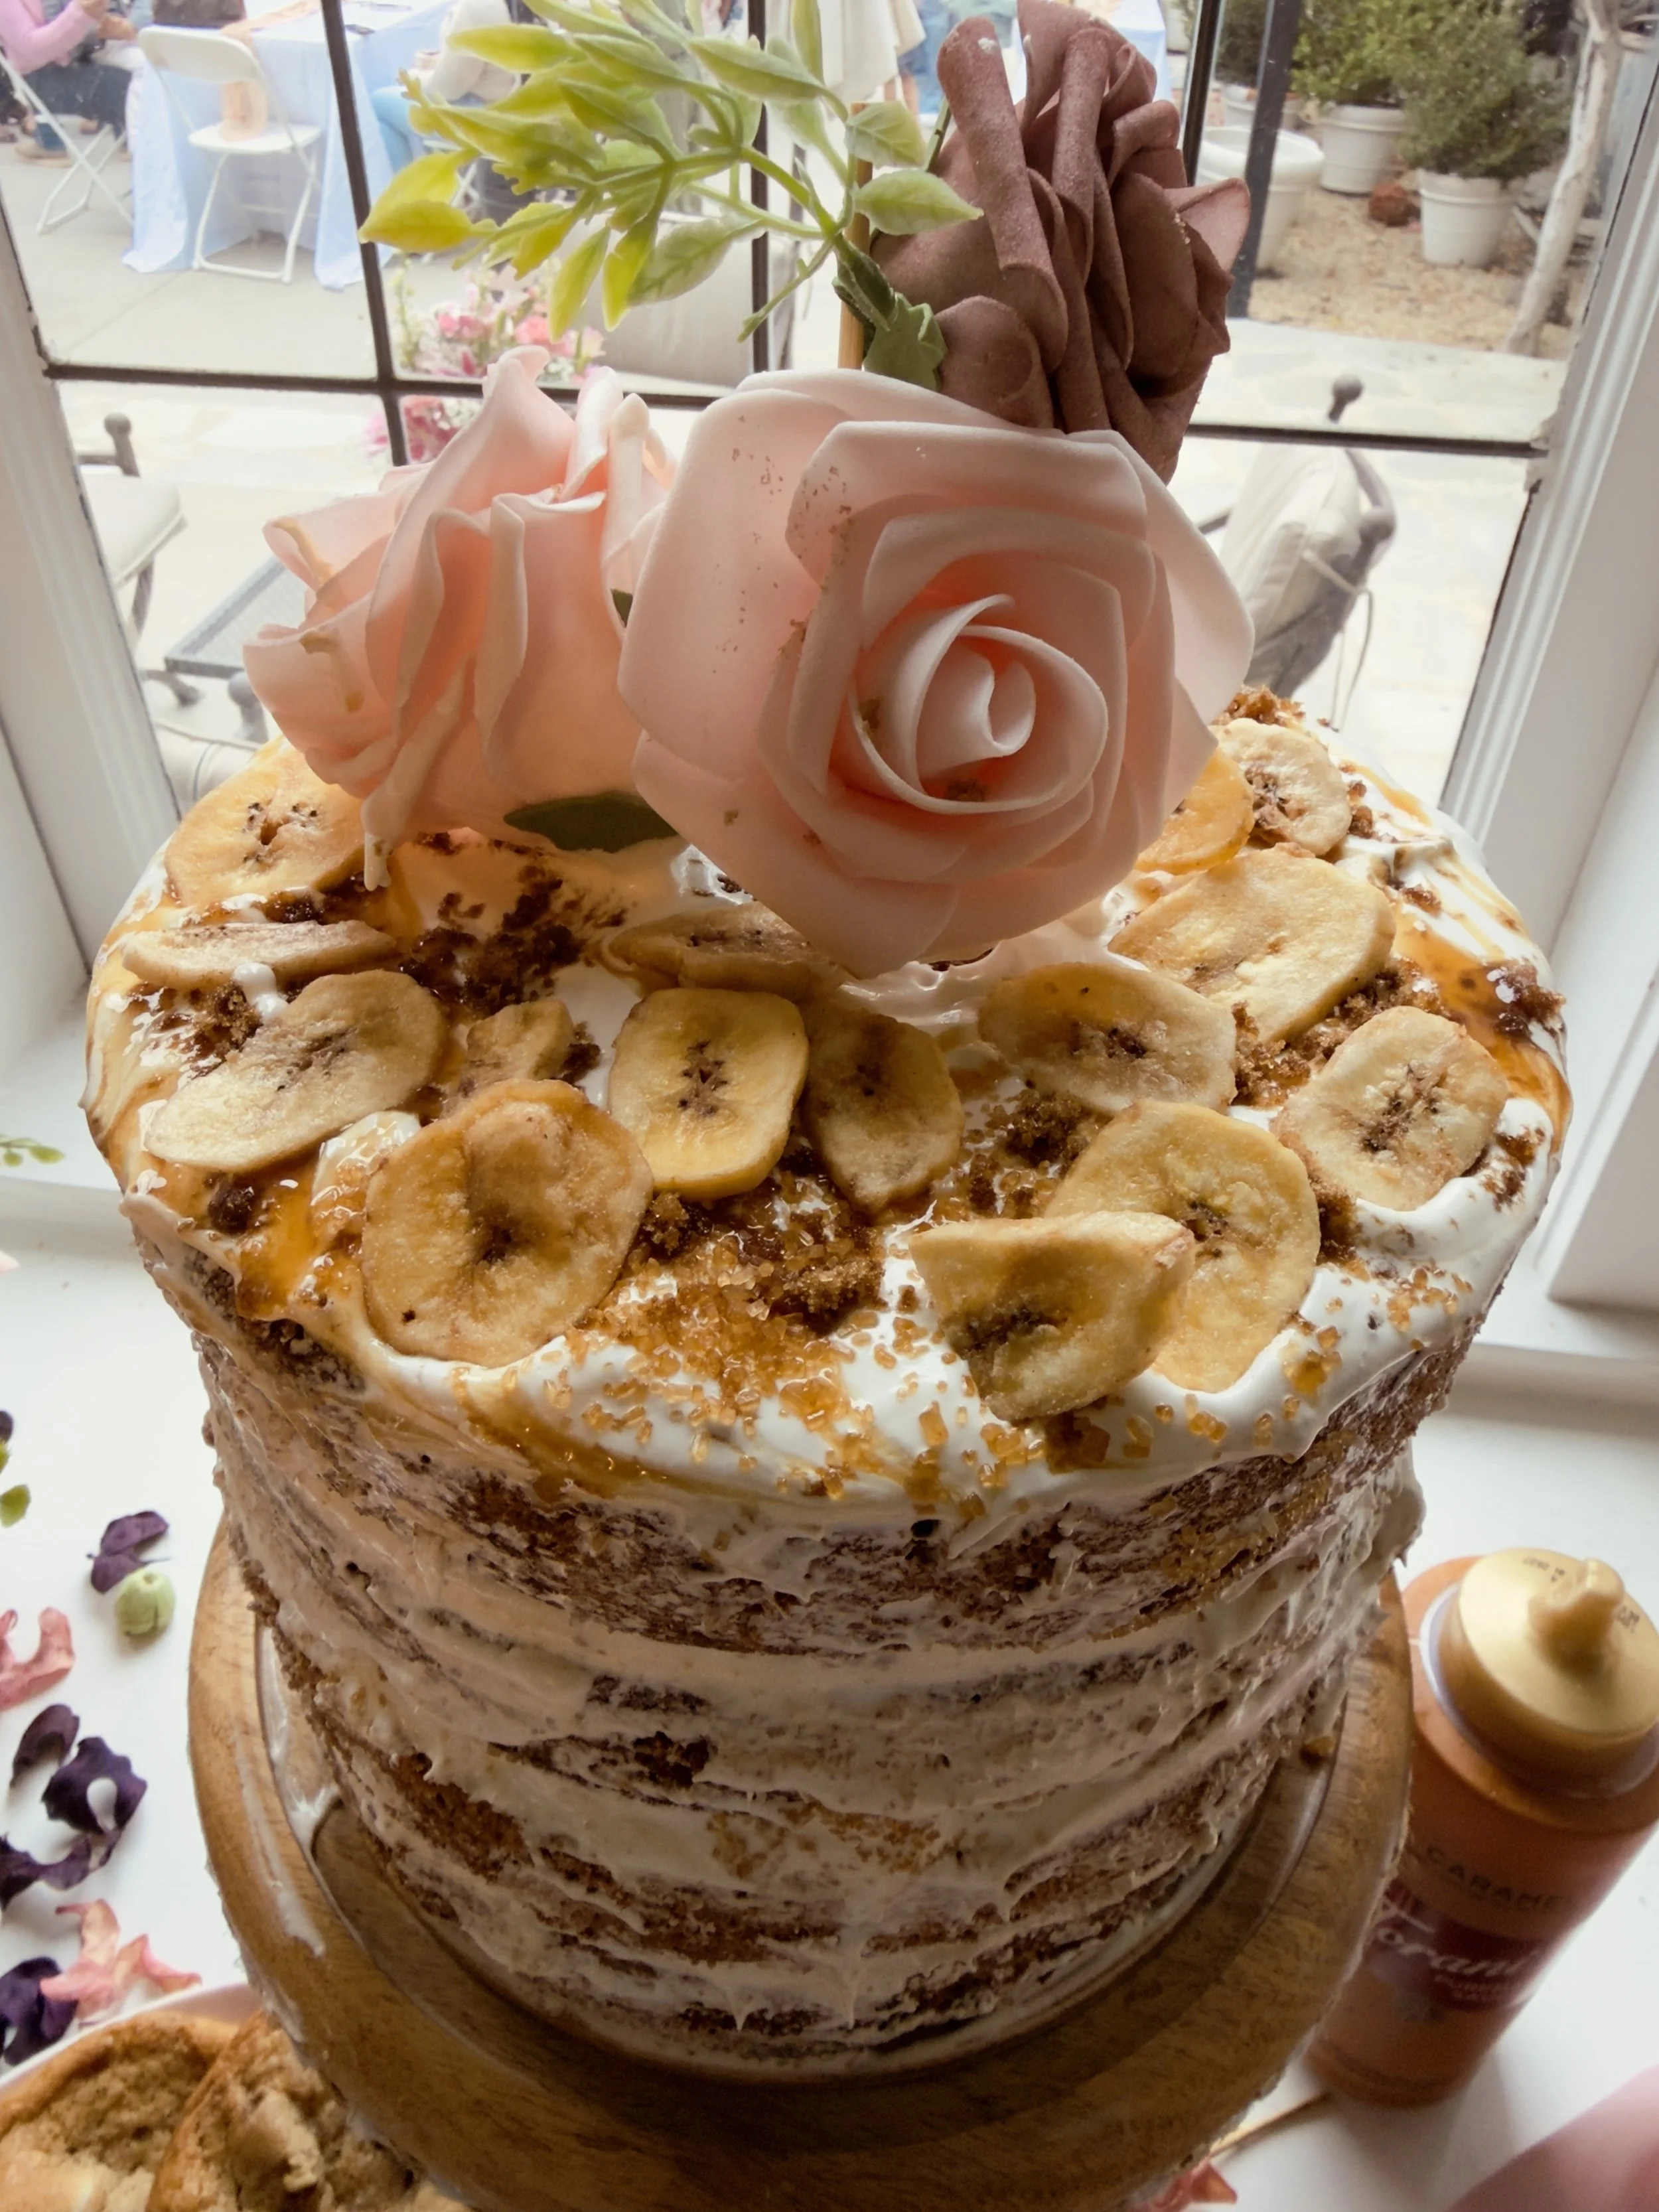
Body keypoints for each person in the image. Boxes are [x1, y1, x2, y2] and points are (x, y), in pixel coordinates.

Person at [369, 0, 514, 175]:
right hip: (524, 113)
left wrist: (412, 76)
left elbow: (448, 89)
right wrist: (438, 64)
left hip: (488, 121)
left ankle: (405, 197)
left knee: (379, 102)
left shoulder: (478, 6)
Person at [0, 0, 135, 150]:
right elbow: (33, 49)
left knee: (150, 78)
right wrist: (81, 13)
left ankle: (136, 146)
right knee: (142, 88)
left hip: (84, 59)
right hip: (46, 80)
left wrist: (107, 24)